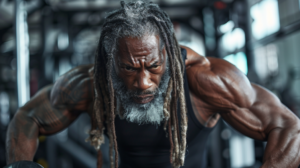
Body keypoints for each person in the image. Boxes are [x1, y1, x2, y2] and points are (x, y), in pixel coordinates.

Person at [5, 1, 300, 168]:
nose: (143, 82)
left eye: (154, 66)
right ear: (110, 62)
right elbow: (29, 117)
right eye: (129, 68)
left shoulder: (206, 80)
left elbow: (288, 127)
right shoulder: (90, 84)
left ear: (168, 55)